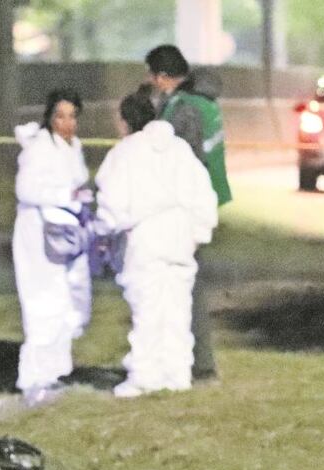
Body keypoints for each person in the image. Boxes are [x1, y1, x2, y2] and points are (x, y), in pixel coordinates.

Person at [94, 93, 218, 398]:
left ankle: (144, 375)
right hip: (180, 238)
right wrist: (198, 232)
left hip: (145, 239)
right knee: (177, 308)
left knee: (147, 310)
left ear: (124, 121)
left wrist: (104, 230)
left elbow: (112, 202)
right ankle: (177, 373)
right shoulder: (180, 150)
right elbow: (203, 193)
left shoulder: (125, 153)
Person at [145, 44, 231, 383]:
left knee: (187, 286)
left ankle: (200, 364)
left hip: (186, 210)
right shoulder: (203, 101)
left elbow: (184, 163)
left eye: (153, 77)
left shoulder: (184, 109)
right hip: (201, 204)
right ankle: (191, 361)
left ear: (163, 76)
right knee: (188, 282)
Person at [12, 88, 93, 406]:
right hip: (38, 235)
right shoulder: (39, 148)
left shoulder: (73, 147)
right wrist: (65, 196)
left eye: (72, 116)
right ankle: (34, 378)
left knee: (68, 302)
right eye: (60, 116)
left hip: (65, 234)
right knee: (43, 303)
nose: (67, 123)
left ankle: (55, 371)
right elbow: (26, 189)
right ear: (49, 117)